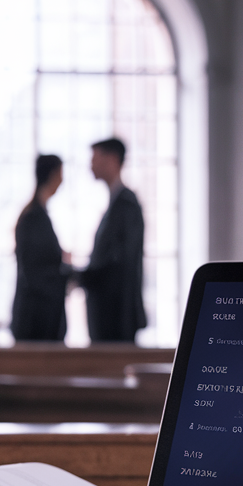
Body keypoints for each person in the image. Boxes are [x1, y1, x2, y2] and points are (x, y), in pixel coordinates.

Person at [81, 137, 147, 343]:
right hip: (108, 316)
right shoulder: (115, 204)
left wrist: (84, 277)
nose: (91, 164)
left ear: (112, 159)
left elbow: (120, 263)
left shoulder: (126, 205)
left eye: (95, 158)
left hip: (117, 318)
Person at [11, 154, 70, 342]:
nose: (62, 181)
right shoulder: (33, 218)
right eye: (60, 174)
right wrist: (67, 273)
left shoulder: (38, 215)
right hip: (36, 320)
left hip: (42, 316)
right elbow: (36, 271)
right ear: (52, 175)